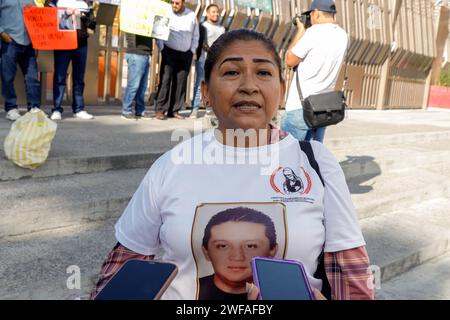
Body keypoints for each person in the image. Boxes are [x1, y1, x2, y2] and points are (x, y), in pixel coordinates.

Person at [90, 29, 373, 300]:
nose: (249, 86)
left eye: (263, 73)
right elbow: (122, 270)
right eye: (231, 72)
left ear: (282, 89)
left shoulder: (316, 162)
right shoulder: (172, 165)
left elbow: (351, 276)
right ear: (206, 91)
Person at [282, 0, 348, 143]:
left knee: (285, 157)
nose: (310, 19)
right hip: (322, 109)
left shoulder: (313, 33)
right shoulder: (343, 36)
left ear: (316, 13)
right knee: (311, 158)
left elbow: (289, 60)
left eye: (311, 15)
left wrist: (301, 30)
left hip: (300, 108)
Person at [199, 207, 278, 300]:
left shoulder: (290, 292)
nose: (237, 257)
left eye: (251, 246)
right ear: (206, 252)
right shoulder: (188, 289)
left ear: (272, 250)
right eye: (223, 246)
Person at [46, 0, 96, 121]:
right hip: (62, 41)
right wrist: (63, 13)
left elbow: (93, 24)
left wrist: (83, 16)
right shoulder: (56, 1)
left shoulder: (86, 3)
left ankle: (79, 109)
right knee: (59, 76)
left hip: (81, 42)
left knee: (79, 77)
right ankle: (57, 109)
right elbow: (47, 13)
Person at [154, 0, 199, 120]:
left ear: (183, 3)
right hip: (169, 51)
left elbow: (195, 35)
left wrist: (192, 51)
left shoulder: (191, 15)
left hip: (185, 54)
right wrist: (162, 48)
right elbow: (158, 31)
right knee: (165, 80)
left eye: (177, 3)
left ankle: (174, 110)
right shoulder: (165, 12)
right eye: (173, 2)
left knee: (181, 82)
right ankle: (160, 110)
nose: (174, 5)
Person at [0, 0, 41, 121]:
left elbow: (37, 18)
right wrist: (1, 32)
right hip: (9, 41)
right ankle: (11, 108)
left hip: (29, 42)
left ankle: (34, 108)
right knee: (7, 77)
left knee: (32, 78)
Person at [190, 3, 225, 119]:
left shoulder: (222, 29)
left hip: (217, 63)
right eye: (213, 12)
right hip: (204, 60)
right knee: (200, 84)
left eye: (217, 12)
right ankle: (194, 110)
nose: (215, 14)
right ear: (207, 13)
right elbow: (201, 43)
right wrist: (212, 51)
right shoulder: (202, 26)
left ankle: (209, 109)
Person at [121, 32, 154, 120]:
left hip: (145, 53)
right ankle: (126, 111)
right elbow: (129, 34)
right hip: (136, 53)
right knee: (134, 85)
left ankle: (140, 110)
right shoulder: (134, 19)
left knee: (142, 86)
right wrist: (132, 47)